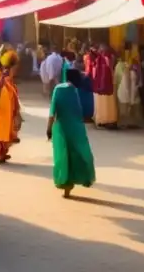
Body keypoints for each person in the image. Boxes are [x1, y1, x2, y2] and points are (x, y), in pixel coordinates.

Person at [47, 68, 95, 198]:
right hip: (77, 129)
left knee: (63, 157)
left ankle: (66, 187)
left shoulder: (58, 89)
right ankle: (83, 179)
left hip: (61, 128)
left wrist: (49, 128)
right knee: (79, 155)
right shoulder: (76, 92)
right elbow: (83, 112)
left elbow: (52, 112)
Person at [114, 47, 143, 129]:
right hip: (127, 89)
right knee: (128, 104)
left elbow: (138, 80)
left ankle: (131, 123)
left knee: (131, 104)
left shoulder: (135, 67)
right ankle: (127, 123)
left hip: (130, 89)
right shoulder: (127, 67)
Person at [90, 45, 118, 128]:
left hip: (102, 85)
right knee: (108, 103)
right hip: (108, 85)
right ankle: (109, 119)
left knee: (103, 103)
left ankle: (103, 119)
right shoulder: (108, 58)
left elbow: (96, 72)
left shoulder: (101, 59)